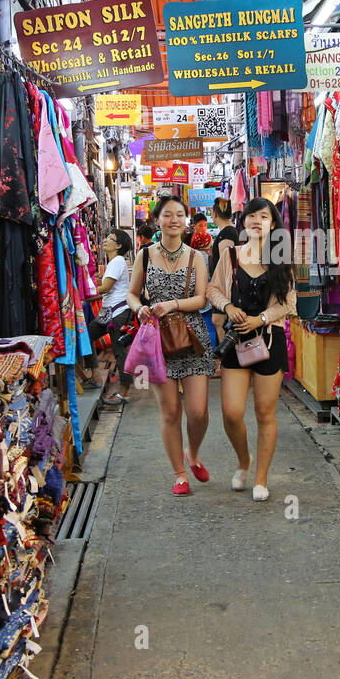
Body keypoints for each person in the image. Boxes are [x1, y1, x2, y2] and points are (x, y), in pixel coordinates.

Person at [206, 197, 296, 502]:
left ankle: (261, 478)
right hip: (236, 342)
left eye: (265, 217)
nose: (258, 221)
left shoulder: (280, 257)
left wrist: (261, 318)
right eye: (253, 216)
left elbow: (289, 303)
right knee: (231, 412)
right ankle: (244, 460)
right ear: (244, 221)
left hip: (270, 342)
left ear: (273, 224)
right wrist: (228, 306)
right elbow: (213, 290)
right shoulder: (230, 255)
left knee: (264, 411)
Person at [126, 196, 214, 496]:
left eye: (179, 214)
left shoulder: (197, 257)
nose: (173, 219)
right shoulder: (145, 255)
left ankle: (193, 452)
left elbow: (202, 298)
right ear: (157, 219)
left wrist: (174, 304)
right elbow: (132, 294)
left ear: (185, 220)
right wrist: (139, 308)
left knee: (199, 411)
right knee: (170, 411)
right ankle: (179, 473)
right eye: (167, 214)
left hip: (193, 339)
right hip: (157, 341)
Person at [87, 229, 135, 407]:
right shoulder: (116, 262)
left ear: (119, 245)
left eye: (110, 239)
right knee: (87, 337)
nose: (105, 241)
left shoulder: (117, 261)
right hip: (110, 313)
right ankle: (94, 374)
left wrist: (84, 292)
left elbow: (106, 287)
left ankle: (125, 391)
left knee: (119, 351)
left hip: (117, 313)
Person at [207, 197, 240, 338]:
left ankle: (224, 359)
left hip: (224, 289)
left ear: (214, 214)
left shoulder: (226, 234)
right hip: (224, 289)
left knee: (220, 322)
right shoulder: (230, 231)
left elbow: (226, 266)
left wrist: (224, 297)